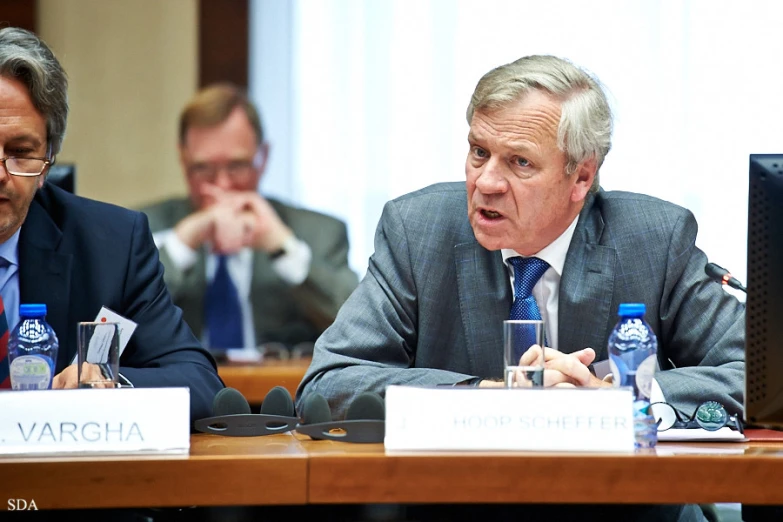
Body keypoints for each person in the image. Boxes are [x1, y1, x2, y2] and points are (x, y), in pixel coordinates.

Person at [297, 55, 744, 521]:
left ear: (582, 177)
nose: (486, 182)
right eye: (478, 152)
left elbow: (757, 374)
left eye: (520, 162)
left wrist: (617, 402)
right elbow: (329, 383)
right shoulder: (419, 231)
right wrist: (485, 397)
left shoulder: (653, 239)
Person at [0, 27, 223, 422]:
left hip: (64, 477)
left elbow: (200, 383)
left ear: (49, 161)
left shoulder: (112, 246)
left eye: (21, 153)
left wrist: (110, 385)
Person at [140, 84, 359, 355]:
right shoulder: (140, 230)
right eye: (203, 169)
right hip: (183, 393)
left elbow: (359, 327)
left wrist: (282, 248)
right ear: (183, 160)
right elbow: (114, 328)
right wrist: (182, 243)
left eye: (237, 166)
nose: (222, 184)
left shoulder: (320, 233)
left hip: (282, 394)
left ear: (263, 157)